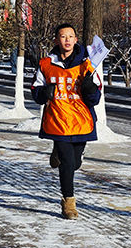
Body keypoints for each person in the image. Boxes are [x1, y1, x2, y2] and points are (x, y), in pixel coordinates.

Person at [30, 23, 102, 219]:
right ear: (56, 40)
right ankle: (68, 203)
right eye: (63, 36)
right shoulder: (46, 64)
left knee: (75, 162)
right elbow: (36, 91)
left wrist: (90, 89)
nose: (67, 40)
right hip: (58, 120)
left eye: (71, 36)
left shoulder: (87, 64)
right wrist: (43, 92)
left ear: (76, 40)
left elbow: (96, 98)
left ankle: (58, 155)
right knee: (68, 163)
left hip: (81, 120)